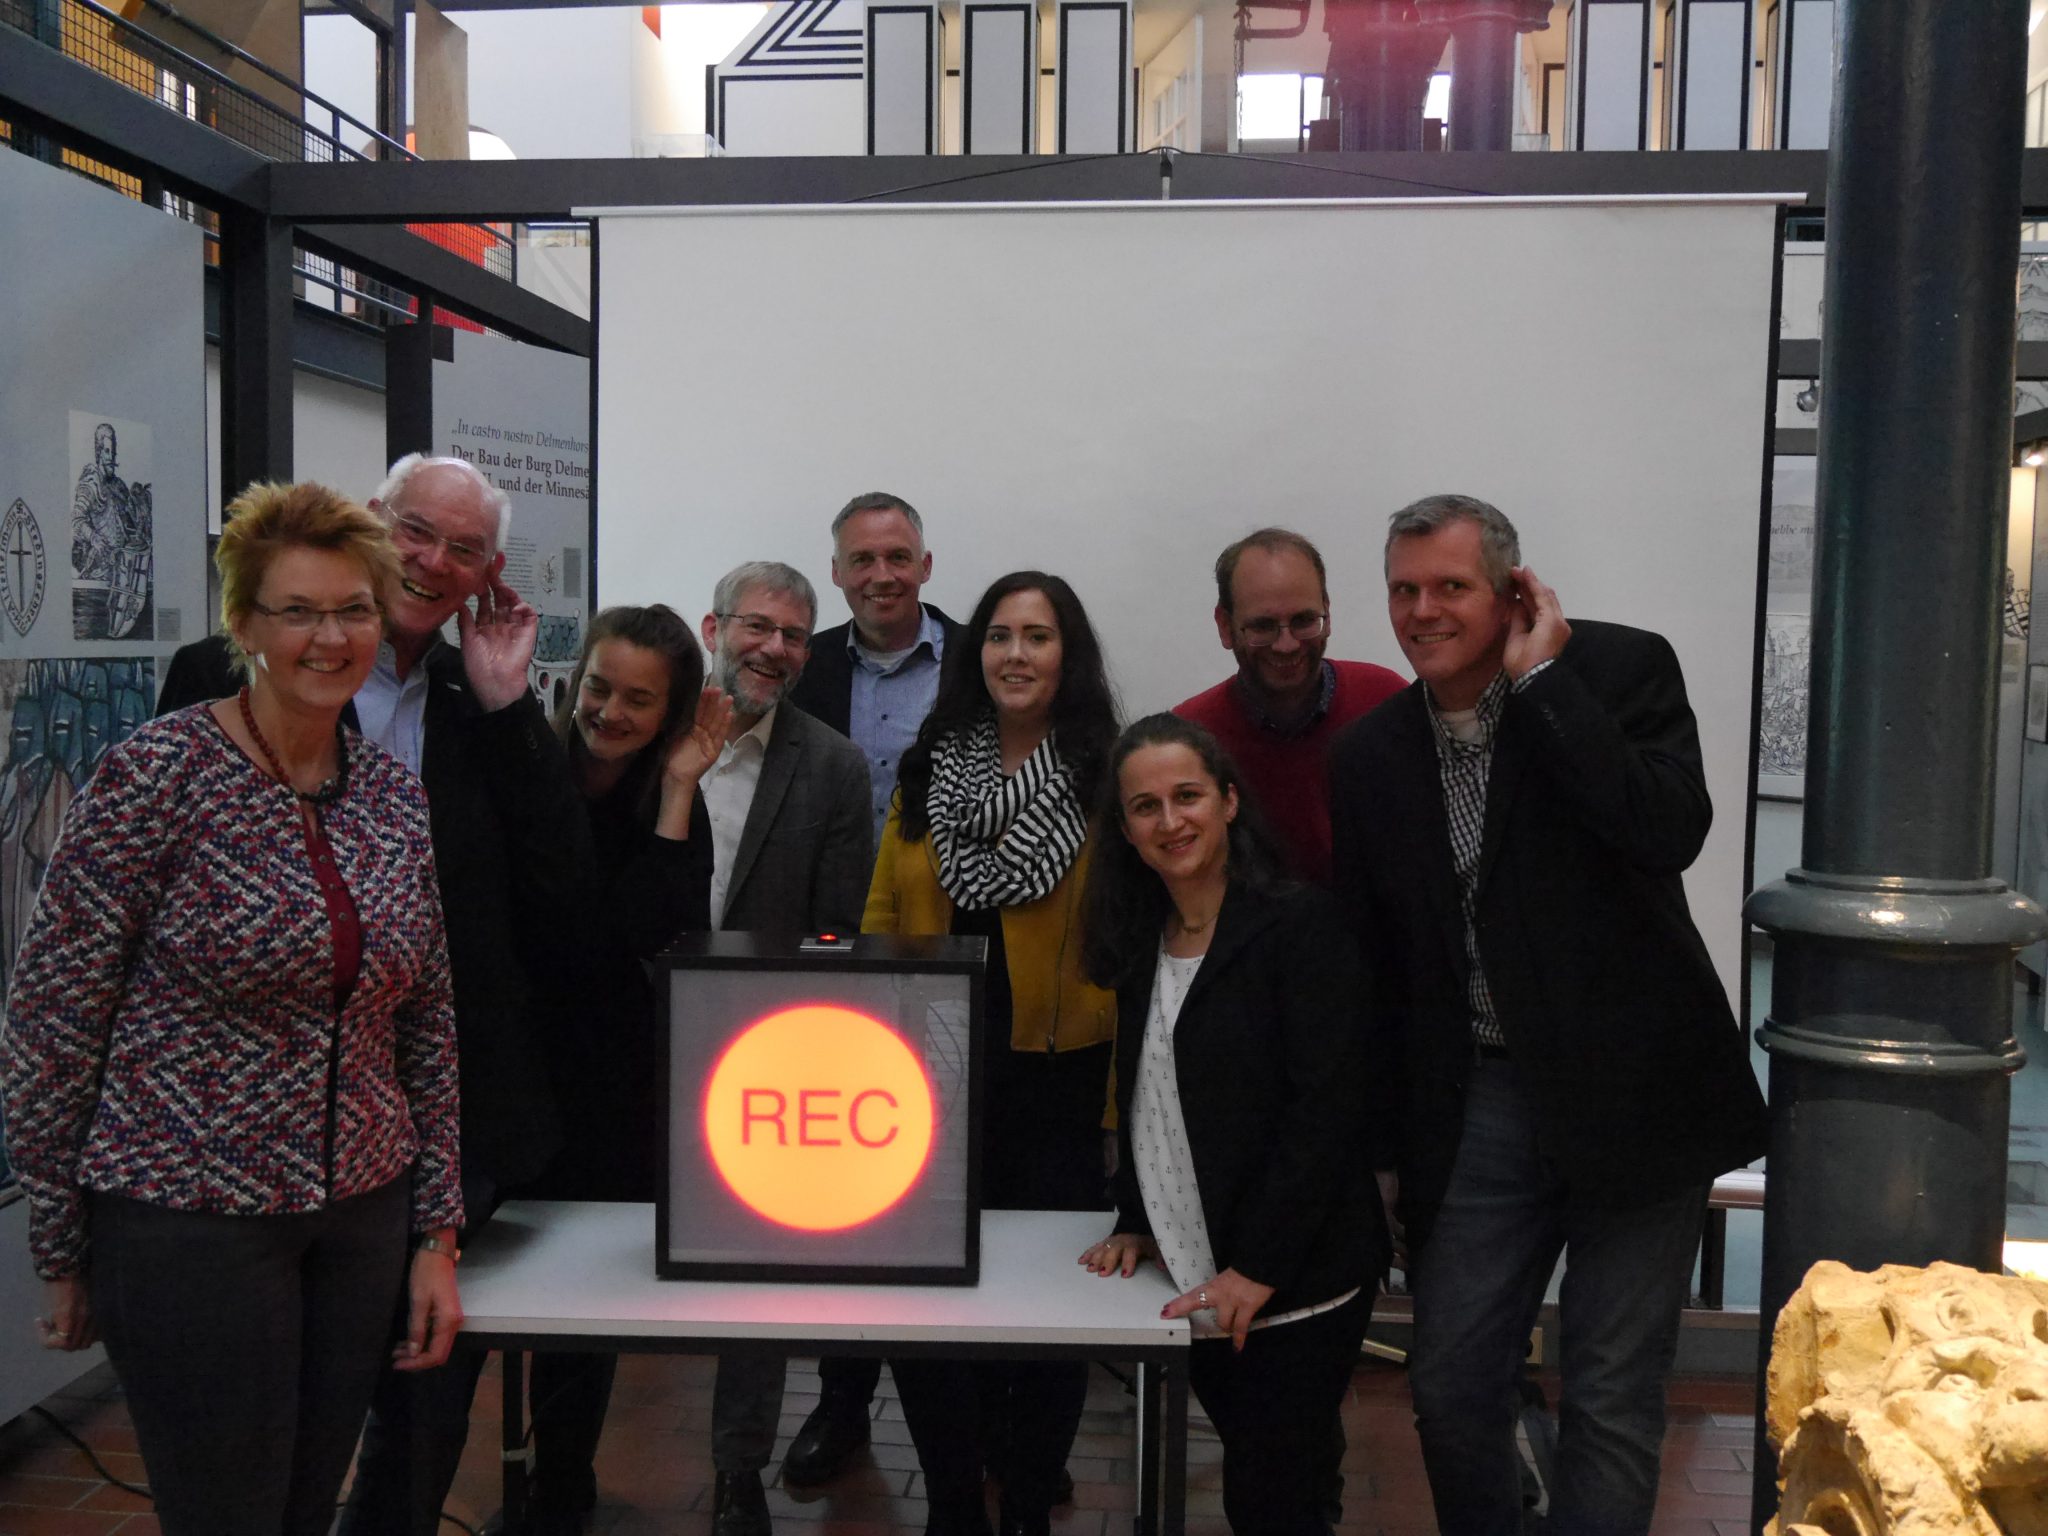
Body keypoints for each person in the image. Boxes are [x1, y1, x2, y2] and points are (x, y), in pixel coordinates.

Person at [0, 480, 464, 1536]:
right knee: (226, 1514)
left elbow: (427, 1026)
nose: (328, 635)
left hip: (360, 1216)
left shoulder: (393, 797)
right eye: (296, 610)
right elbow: (51, 1024)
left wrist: (433, 1232)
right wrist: (61, 1248)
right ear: (245, 624)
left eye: (352, 608)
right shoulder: (155, 777)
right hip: (186, 1221)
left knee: (306, 1505)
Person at [156, 453, 594, 1536]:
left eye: (464, 549)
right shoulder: (217, 672)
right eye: (414, 531)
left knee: (422, 1395)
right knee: (271, 1413)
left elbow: (559, 896)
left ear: (489, 572)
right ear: (370, 520)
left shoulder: (473, 690)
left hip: (445, 1104)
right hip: (258, 1112)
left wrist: (505, 708)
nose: (432, 562)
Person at [1328, 493, 1769, 1536]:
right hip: (1478, 1100)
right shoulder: (1369, 755)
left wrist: (1542, 683)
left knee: (1612, 1391)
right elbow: (1377, 969)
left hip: (1636, 1095)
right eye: (1403, 589)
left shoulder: (1616, 674)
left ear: (1512, 592)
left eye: (1449, 587)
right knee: (1448, 1385)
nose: (1422, 611)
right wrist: (1386, 1144)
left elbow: (1663, 829)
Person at [1077, 713, 1385, 1536]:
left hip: (1295, 1278)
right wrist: (1138, 1218)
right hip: (1196, 1261)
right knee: (1285, 1480)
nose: (1169, 821)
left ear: (1230, 802)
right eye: (1144, 806)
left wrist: (1259, 1267)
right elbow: (1149, 1092)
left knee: (1267, 1497)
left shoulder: (1300, 927)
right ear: (1126, 829)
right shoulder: (1146, 933)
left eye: (1187, 797)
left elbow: (1327, 1113)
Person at [866, 570, 1119, 1536]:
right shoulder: (933, 764)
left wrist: (1113, 1114)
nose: (1017, 654)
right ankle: (951, 1496)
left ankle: (1027, 1485)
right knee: (925, 1302)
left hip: (1059, 1075)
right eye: (1001, 635)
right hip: (931, 1070)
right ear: (977, 654)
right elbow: (886, 908)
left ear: (1069, 656)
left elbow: (1128, 944)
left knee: (1051, 1305)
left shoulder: (1104, 769)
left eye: (1040, 636)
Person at [518, 605, 730, 1534]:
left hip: (612, 1086)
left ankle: (564, 1485)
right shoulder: (526, 769)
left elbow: (656, 937)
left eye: (639, 700)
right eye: (599, 686)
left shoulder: (672, 797)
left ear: (673, 712)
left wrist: (680, 786)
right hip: (511, 1066)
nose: (608, 710)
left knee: (577, 1307)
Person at [781, 493, 962, 1483]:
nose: (881, 576)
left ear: (925, 566)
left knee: (946, 1184)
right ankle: (840, 1399)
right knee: (848, 1191)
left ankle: (987, 1421)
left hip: (947, 957)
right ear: (838, 572)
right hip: (831, 953)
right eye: (862, 561)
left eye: (898, 557)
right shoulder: (801, 665)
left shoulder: (984, 656)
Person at [696, 561, 876, 1536]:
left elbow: (834, 936)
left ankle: (736, 1473)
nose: (773, 648)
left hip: (758, 1058)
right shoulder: (649, 735)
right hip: (631, 1045)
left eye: (795, 636)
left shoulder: (834, 766)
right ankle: (559, 1463)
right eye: (758, 626)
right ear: (712, 623)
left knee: (753, 1276)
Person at [1174, 528, 1404, 886]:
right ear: (1225, 625)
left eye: (1303, 621)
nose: (1286, 645)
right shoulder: (1190, 738)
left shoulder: (1386, 701)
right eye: (1263, 626)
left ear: (1327, 612)